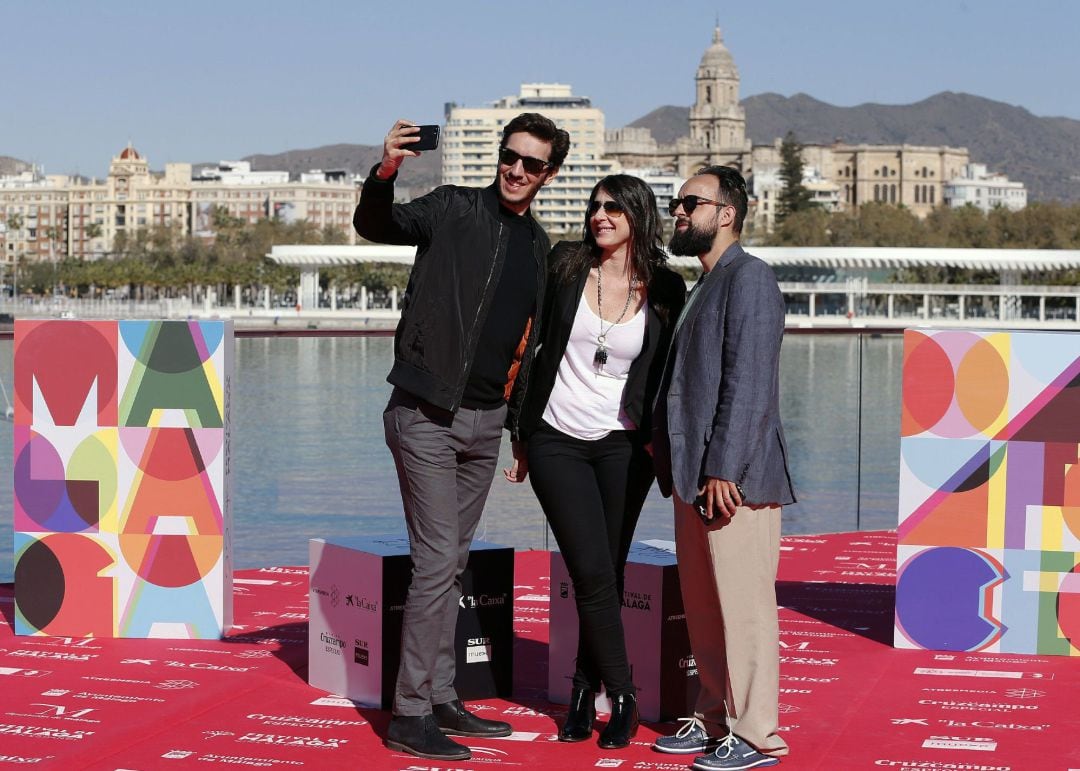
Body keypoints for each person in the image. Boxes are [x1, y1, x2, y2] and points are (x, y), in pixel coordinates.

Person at [353, 113, 569, 762]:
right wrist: (386, 170)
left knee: (449, 564)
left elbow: (530, 350)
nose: (516, 170)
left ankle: (442, 694)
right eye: (510, 156)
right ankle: (411, 713)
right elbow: (376, 225)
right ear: (498, 156)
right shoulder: (452, 208)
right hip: (423, 412)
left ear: (548, 175)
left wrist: (520, 429)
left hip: (484, 425)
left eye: (532, 164)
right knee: (437, 559)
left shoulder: (537, 245)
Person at [506, 174, 685, 749]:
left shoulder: (665, 287)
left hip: (624, 445)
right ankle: (625, 694)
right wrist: (519, 430)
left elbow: (666, 373)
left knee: (604, 573)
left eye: (613, 207)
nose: (600, 215)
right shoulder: (564, 265)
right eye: (595, 206)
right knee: (589, 569)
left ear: (638, 215)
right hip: (556, 436)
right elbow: (529, 339)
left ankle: (583, 690)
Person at [650, 165, 795, 771]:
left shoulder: (750, 279)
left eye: (691, 202)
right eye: (677, 203)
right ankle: (713, 715)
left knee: (744, 607)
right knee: (706, 609)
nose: (679, 212)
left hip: (733, 479)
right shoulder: (705, 284)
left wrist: (724, 469)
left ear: (727, 213)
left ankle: (756, 733)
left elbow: (750, 382)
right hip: (696, 476)